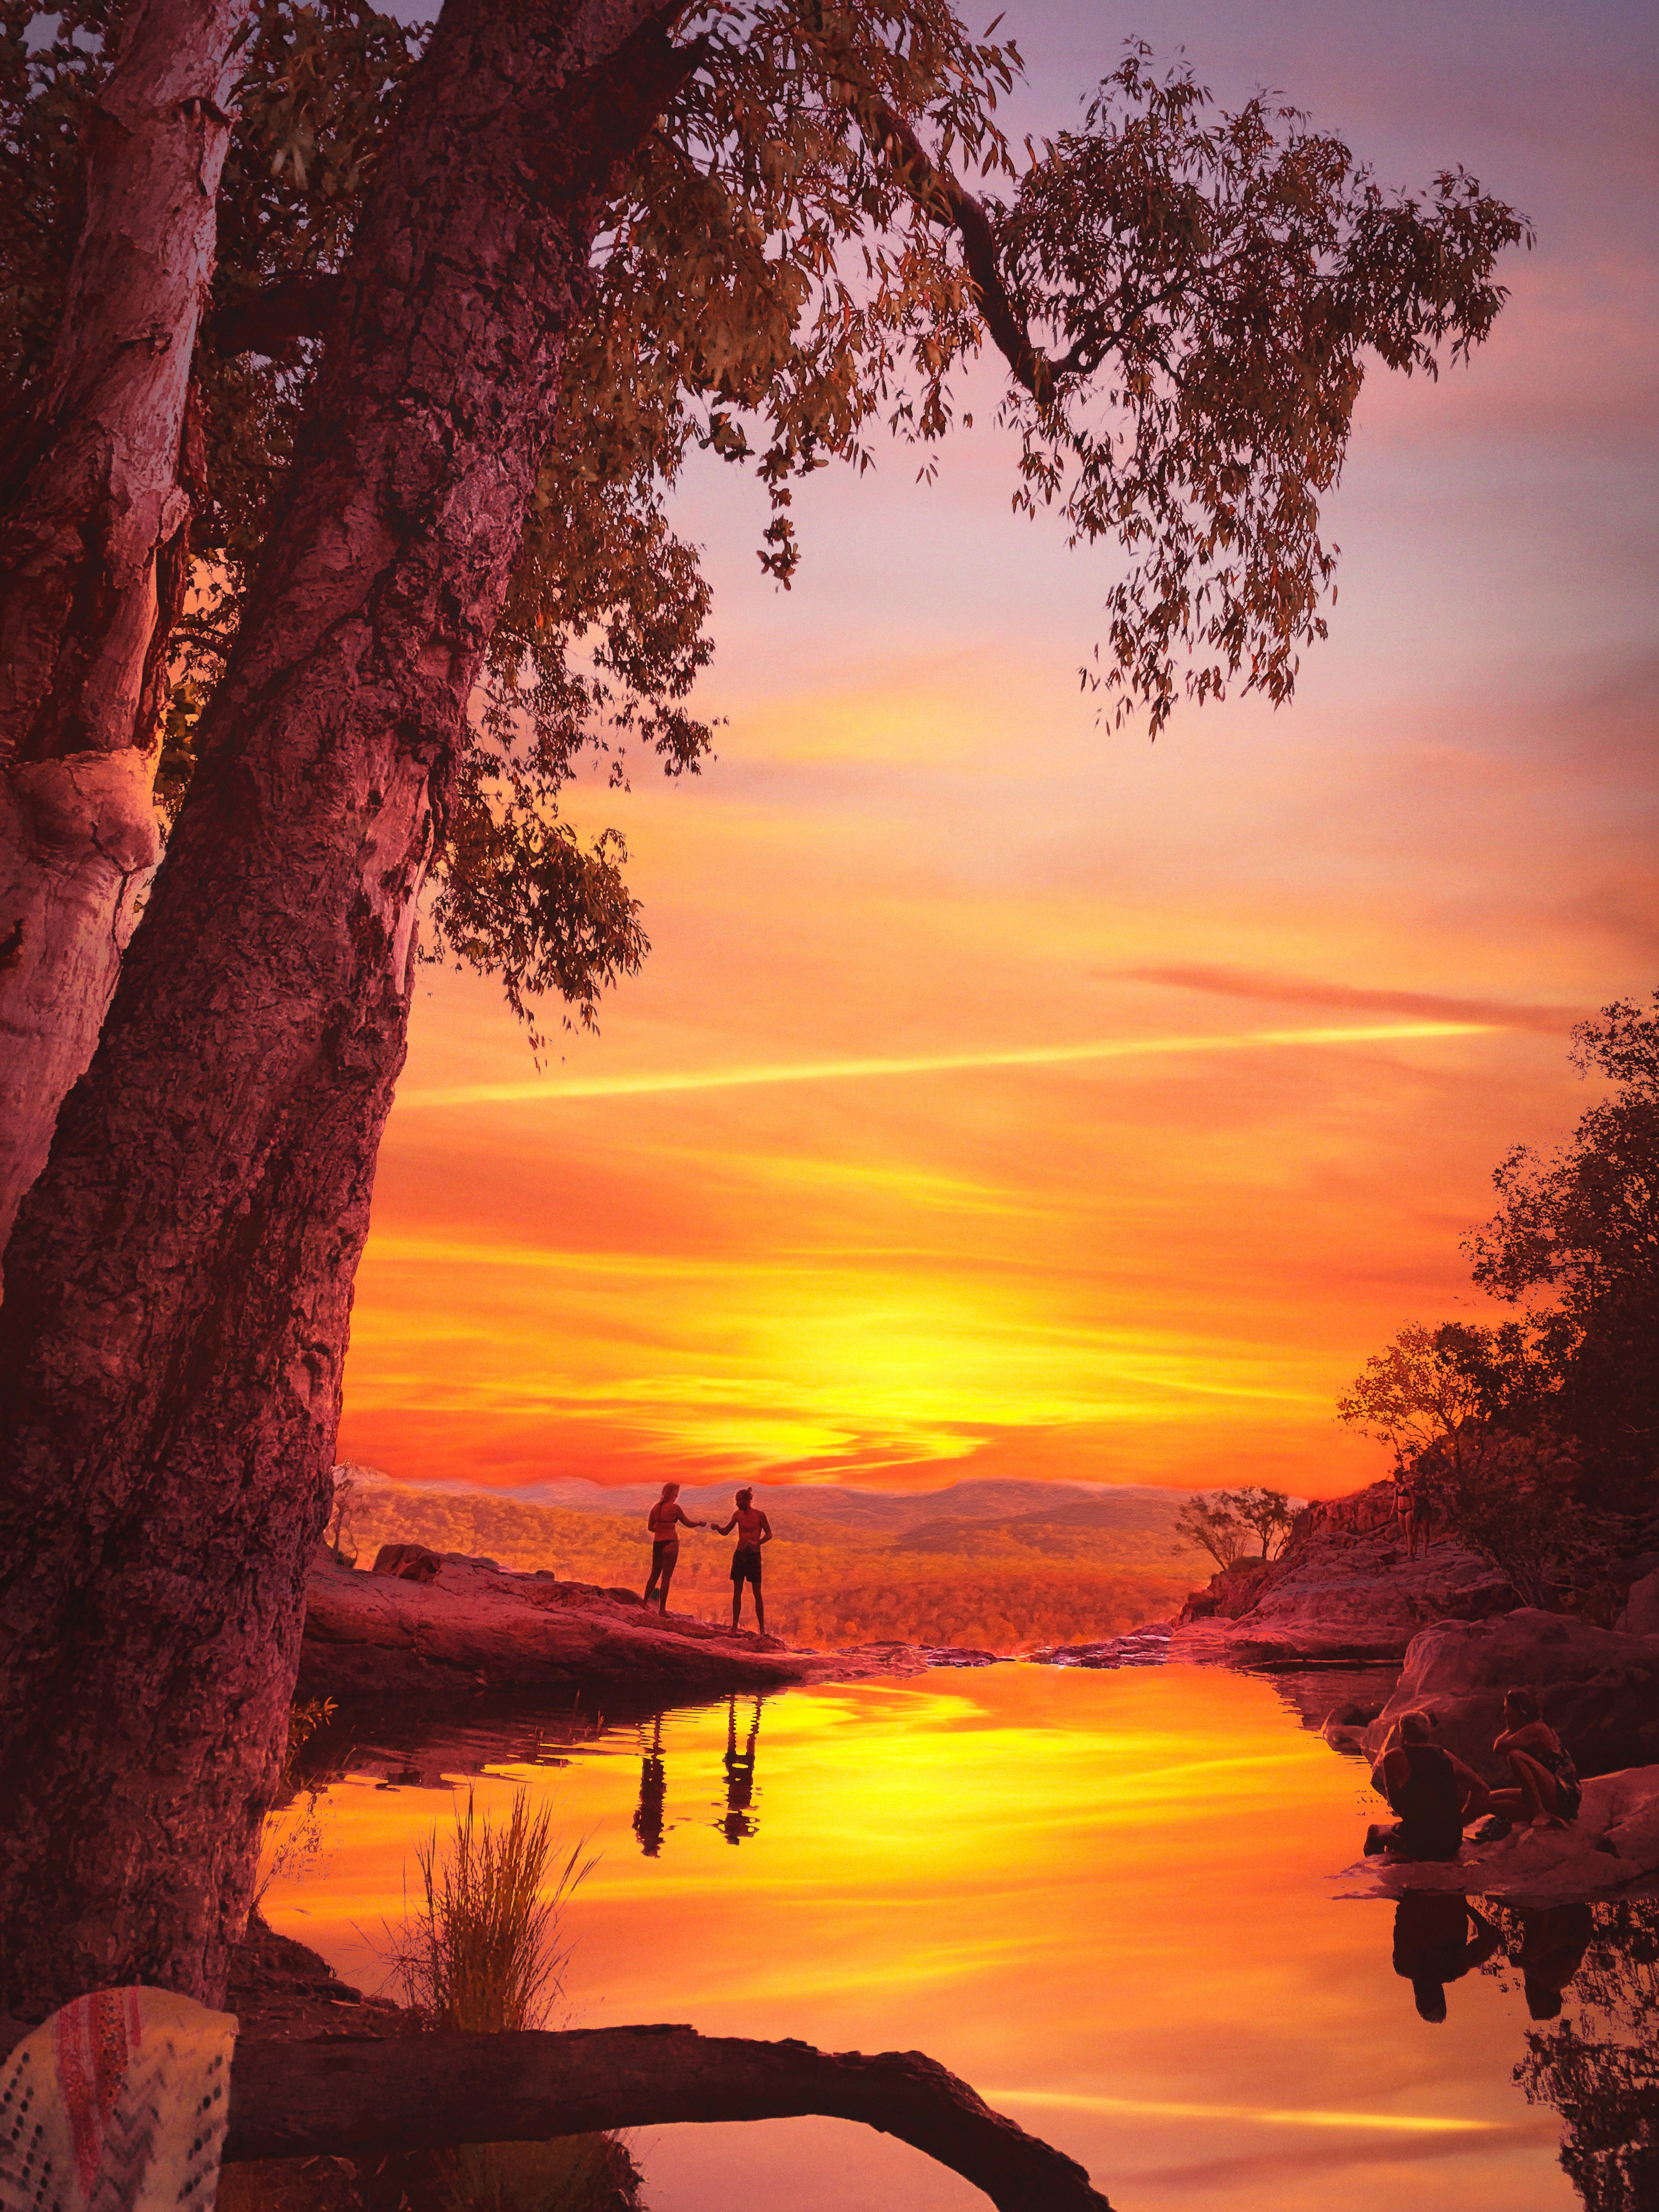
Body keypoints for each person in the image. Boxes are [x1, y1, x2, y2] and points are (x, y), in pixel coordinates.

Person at [1366, 1711, 1489, 1860]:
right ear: (1427, 1733)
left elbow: (1397, 1804)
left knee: (1375, 1831)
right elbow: (1482, 1789)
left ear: (1402, 1734)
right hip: (1452, 1843)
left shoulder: (1395, 1757)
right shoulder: (1446, 1756)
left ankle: (1377, 1870)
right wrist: (1460, 1822)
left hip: (1419, 1843)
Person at [1473, 1689, 1582, 1834]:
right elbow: (1498, 1746)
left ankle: (1541, 1812)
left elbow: (1500, 1747)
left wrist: (1511, 1728)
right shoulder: (1528, 1729)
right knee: (1487, 1802)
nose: (1505, 1713)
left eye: (1508, 1709)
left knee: (1515, 1756)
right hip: (1550, 1792)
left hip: (1564, 1794)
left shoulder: (1537, 1729)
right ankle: (1545, 1815)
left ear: (1518, 1711)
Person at [1391, 1893, 1501, 2022]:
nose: (1422, 1995)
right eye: (1429, 1999)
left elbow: (1492, 1939)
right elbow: (1492, 1939)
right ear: (1440, 1994)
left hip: (1425, 1897)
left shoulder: (1405, 1964)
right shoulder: (1453, 1967)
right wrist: (1466, 1908)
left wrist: (1466, 1908)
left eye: (1422, 1999)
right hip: (1437, 1897)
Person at [714, 1486, 772, 1634]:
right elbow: (726, 1532)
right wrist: (718, 1528)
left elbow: (769, 1534)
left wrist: (757, 1543)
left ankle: (762, 1630)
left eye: (739, 1501)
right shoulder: (738, 1515)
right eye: (736, 1502)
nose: (737, 1504)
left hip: (754, 1556)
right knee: (737, 1592)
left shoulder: (760, 1516)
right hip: (740, 1555)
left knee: (757, 1593)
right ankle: (734, 1626)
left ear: (748, 1500)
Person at [642, 1481, 703, 1614]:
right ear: (672, 1494)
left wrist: (661, 1530)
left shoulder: (656, 1508)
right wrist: (699, 1523)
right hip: (670, 1544)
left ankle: (644, 1602)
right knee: (666, 1579)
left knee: (654, 1575)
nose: (677, 1497)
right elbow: (688, 1523)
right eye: (676, 1494)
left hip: (658, 1543)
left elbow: (650, 1528)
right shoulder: (675, 1509)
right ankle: (662, 1610)